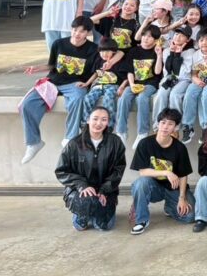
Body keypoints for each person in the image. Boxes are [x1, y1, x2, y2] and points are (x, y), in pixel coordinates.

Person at [20, 15, 100, 164]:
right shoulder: (59, 44)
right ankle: (33, 142)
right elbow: (52, 65)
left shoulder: (93, 49)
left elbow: (97, 71)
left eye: (82, 31)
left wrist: (87, 83)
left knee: (78, 99)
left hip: (76, 84)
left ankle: (70, 138)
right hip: (54, 81)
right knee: (27, 105)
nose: (77, 34)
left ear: (88, 33)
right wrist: (37, 68)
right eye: (75, 30)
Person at [55, 106, 126, 231]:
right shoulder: (74, 144)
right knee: (83, 216)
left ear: (108, 122)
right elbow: (62, 171)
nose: (99, 123)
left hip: (106, 190)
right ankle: (82, 214)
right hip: (80, 191)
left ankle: (98, 212)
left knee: (104, 226)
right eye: (95, 119)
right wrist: (81, 185)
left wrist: (104, 190)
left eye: (104, 119)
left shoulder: (115, 142)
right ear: (88, 120)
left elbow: (118, 170)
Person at [129, 107, 194, 234]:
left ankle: (169, 207)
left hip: (173, 188)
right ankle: (141, 220)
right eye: (163, 122)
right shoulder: (145, 144)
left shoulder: (180, 148)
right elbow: (142, 172)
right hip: (153, 188)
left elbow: (183, 175)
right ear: (158, 124)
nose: (165, 127)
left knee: (190, 216)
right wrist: (166, 172)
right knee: (140, 183)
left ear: (175, 127)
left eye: (170, 124)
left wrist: (182, 198)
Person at [117, 24, 164, 148]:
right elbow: (130, 71)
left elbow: (157, 72)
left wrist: (159, 55)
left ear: (156, 40)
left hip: (150, 83)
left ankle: (142, 133)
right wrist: (132, 84)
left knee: (142, 98)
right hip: (135, 82)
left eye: (150, 37)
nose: (146, 38)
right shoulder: (133, 51)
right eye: (144, 35)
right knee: (124, 97)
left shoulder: (157, 52)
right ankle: (121, 132)